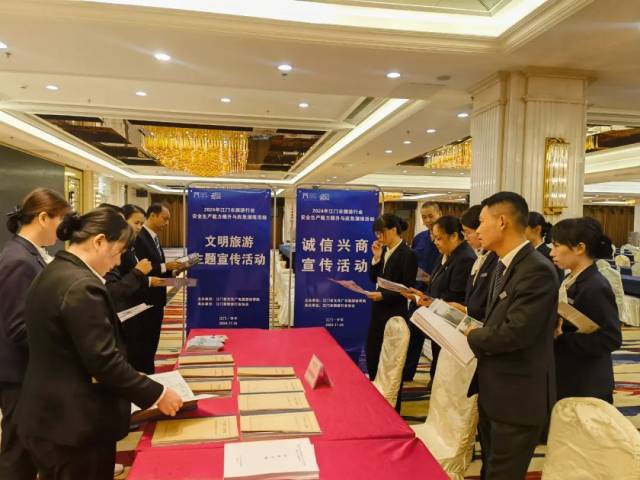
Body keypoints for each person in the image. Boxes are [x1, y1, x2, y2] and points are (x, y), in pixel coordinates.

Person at [16, 208, 184, 480]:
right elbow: (103, 361)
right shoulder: (81, 286)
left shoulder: (57, 270)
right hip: (74, 423)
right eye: (118, 253)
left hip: (50, 415)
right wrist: (157, 394)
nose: (117, 263)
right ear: (99, 242)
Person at [464, 192, 559, 480]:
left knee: (503, 474)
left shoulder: (536, 270)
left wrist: (472, 334)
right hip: (496, 390)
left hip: (517, 398)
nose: (478, 229)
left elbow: (515, 333)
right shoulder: (503, 264)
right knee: (490, 468)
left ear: (502, 221)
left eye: (482, 222)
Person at [0, 188, 69, 480]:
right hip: (18, 373)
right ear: (43, 218)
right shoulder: (18, 259)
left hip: (27, 370)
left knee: (30, 446)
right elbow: (19, 327)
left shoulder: (28, 253)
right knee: (17, 450)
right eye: (60, 220)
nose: (62, 229)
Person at [550, 217, 622, 403]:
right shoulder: (571, 279)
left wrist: (562, 338)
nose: (552, 252)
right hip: (571, 374)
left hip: (586, 383)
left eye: (557, 246)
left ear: (579, 248)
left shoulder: (595, 286)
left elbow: (611, 338)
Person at [406, 215, 476, 382]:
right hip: (438, 319)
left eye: (439, 238)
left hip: (450, 323)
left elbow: (455, 296)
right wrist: (422, 296)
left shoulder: (465, 258)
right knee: (437, 368)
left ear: (454, 236)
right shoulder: (445, 254)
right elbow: (435, 285)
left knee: (444, 373)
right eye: (434, 238)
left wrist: (429, 302)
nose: (435, 242)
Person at [366, 214, 417, 393]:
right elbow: (375, 279)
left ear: (393, 230)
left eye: (381, 233)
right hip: (378, 313)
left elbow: (407, 289)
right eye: (377, 234)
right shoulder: (385, 251)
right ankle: (374, 397)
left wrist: (383, 295)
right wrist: (376, 258)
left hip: (395, 315)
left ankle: (392, 404)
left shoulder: (408, 254)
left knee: (392, 366)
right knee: (373, 356)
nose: (379, 237)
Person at [131, 203, 184, 374]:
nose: (167, 223)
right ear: (153, 215)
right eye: (165, 219)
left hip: (156, 298)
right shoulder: (140, 238)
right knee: (143, 342)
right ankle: (144, 374)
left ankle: (149, 371)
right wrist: (165, 266)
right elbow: (142, 268)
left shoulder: (153, 237)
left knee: (152, 341)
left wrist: (172, 271)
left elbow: (157, 266)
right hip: (144, 300)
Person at [450, 204, 498, 321]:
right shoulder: (480, 256)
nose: (466, 238)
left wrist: (466, 310)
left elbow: (494, 305)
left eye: (468, 232)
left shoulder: (496, 258)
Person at [526, 211, 564, 281]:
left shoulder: (551, 256)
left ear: (537, 229)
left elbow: (557, 283)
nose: (519, 231)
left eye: (524, 227)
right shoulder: (525, 253)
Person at [411, 202, 442, 287]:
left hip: (438, 289)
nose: (427, 220)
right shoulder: (418, 238)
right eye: (424, 217)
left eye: (431, 216)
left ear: (440, 214)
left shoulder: (447, 239)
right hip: (418, 288)